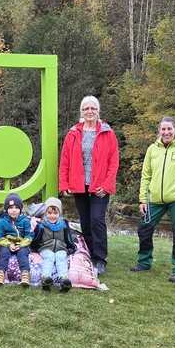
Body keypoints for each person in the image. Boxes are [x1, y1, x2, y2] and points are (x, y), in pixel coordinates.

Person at [131, 117, 175, 283]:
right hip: (154, 198)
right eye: (163, 129)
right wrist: (142, 199)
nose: (166, 132)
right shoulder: (152, 150)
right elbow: (145, 176)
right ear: (159, 131)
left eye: (169, 129)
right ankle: (144, 262)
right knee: (144, 228)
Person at [58, 96, 119, 275]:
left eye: (93, 108)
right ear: (81, 112)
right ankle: (89, 255)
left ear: (98, 111)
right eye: (86, 109)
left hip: (100, 187)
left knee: (97, 221)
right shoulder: (73, 133)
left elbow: (113, 161)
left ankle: (100, 259)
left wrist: (107, 185)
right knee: (85, 222)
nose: (90, 111)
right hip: (79, 185)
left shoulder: (108, 133)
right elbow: (65, 160)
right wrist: (65, 184)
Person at [31, 197, 76, 292]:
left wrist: (71, 247)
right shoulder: (42, 225)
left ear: (59, 214)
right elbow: (35, 238)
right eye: (49, 213)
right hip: (45, 248)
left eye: (55, 213)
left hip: (61, 248)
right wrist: (33, 248)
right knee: (50, 256)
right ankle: (45, 278)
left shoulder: (64, 225)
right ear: (45, 213)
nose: (52, 216)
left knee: (61, 256)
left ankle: (63, 280)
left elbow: (68, 238)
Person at [0, 193, 32, 287]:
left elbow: (29, 235)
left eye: (16, 207)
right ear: (6, 209)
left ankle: (25, 275)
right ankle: (0, 274)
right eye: (10, 208)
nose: (14, 210)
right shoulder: (2, 221)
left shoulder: (25, 220)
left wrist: (22, 244)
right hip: (8, 243)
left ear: (20, 209)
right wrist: (8, 244)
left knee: (23, 254)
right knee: (4, 253)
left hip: (21, 243)